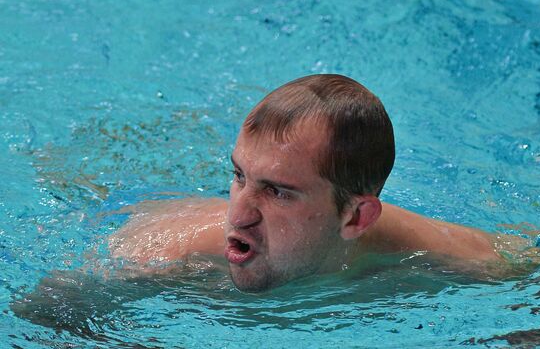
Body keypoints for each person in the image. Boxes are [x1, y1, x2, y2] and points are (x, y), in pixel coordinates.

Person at [109, 74, 502, 292]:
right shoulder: (160, 260)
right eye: (238, 176)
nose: (238, 215)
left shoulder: (448, 257)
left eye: (277, 191)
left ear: (356, 218)